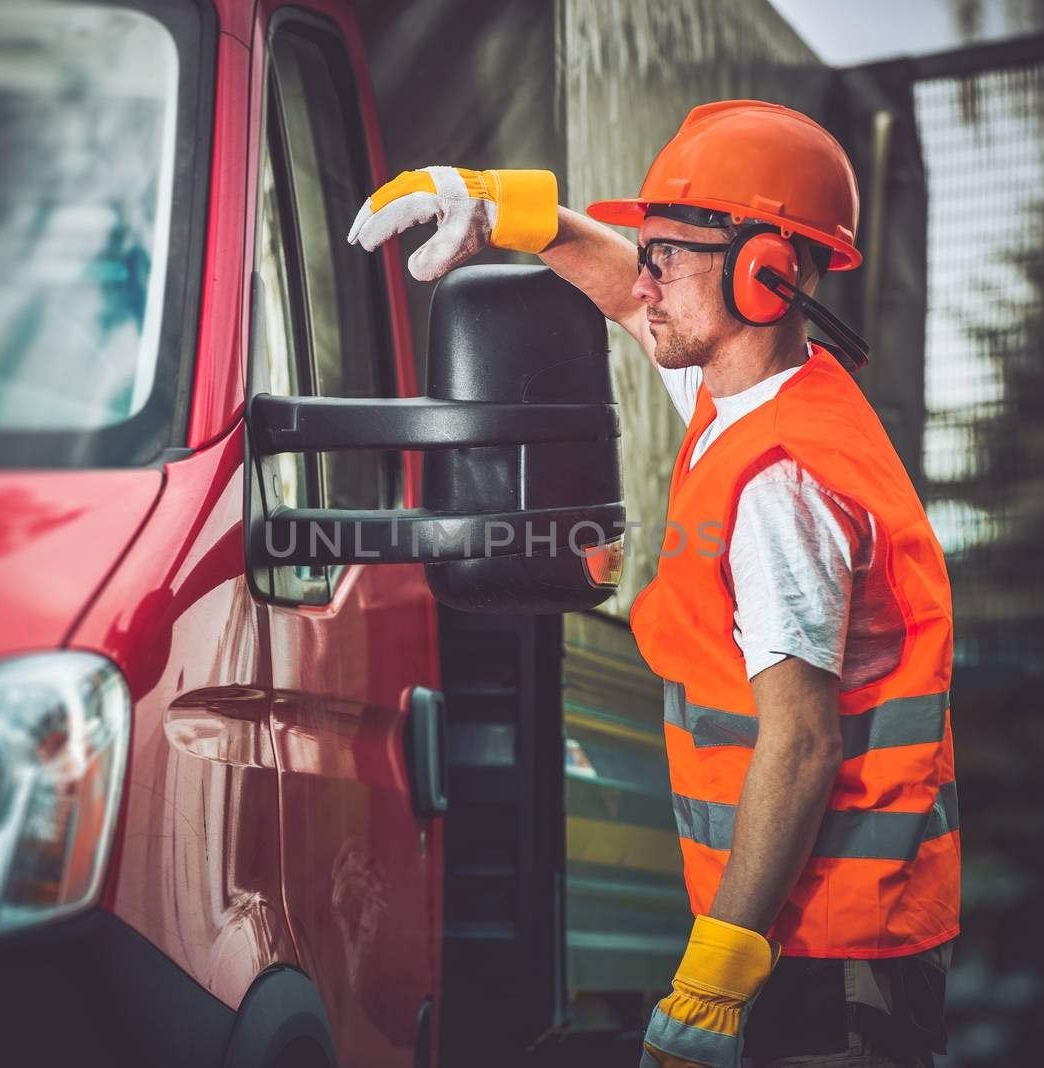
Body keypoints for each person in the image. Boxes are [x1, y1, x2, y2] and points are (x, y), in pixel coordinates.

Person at [349, 100, 959, 1068]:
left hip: (826, 946)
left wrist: (712, 980)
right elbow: (630, 302)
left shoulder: (780, 485)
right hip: (801, 923)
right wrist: (502, 209)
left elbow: (799, 740)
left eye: (668, 253)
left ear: (769, 274)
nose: (644, 279)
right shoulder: (762, 391)